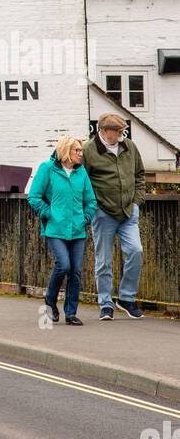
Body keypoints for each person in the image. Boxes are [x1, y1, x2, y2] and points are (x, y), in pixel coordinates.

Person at [82, 113, 146, 321]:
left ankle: (126, 298)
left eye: (121, 131)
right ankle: (106, 303)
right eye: (117, 132)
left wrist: (136, 202)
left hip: (128, 211)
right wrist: (94, 208)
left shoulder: (129, 146)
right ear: (103, 131)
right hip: (103, 213)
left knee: (136, 251)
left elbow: (139, 175)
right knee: (104, 260)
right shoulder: (88, 150)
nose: (120, 135)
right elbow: (83, 181)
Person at [28, 134, 97, 325]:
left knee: (75, 271)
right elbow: (34, 196)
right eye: (77, 150)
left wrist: (86, 218)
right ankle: (50, 301)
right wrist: (49, 214)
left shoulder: (81, 172)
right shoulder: (47, 169)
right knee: (63, 265)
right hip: (55, 229)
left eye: (81, 150)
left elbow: (91, 201)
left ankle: (71, 313)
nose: (81, 154)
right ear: (66, 151)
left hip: (77, 230)